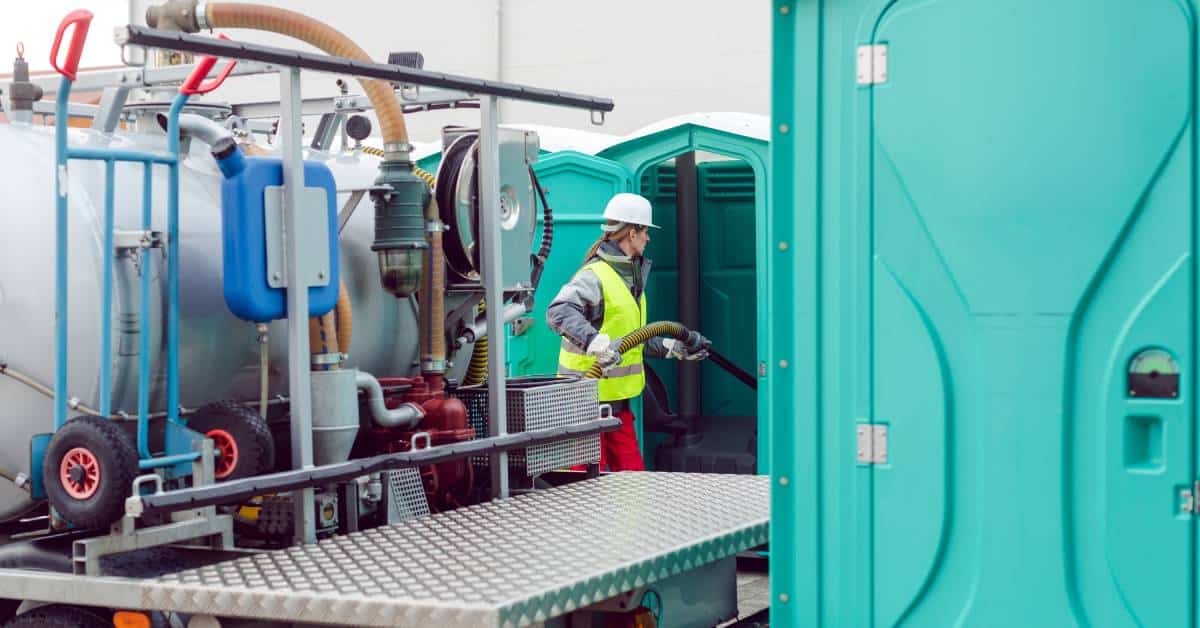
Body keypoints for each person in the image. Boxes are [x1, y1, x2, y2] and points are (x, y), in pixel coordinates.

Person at [547, 192, 711, 471]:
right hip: (583, 403)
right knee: (582, 488)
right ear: (632, 233)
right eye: (645, 232)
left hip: (616, 405)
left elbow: (630, 339)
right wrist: (594, 342)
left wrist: (673, 347)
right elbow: (557, 312)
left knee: (633, 481)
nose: (648, 238)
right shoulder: (595, 275)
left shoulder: (629, 279)